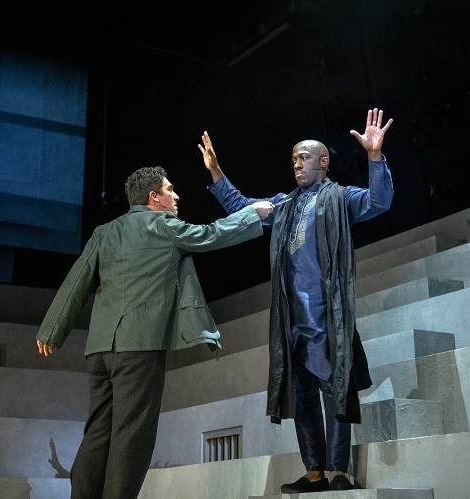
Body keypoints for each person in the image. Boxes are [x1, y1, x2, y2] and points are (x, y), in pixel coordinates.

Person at [36, 166, 274, 499]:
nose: (176, 196)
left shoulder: (104, 233)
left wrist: (51, 330)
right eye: (170, 189)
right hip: (140, 347)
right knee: (131, 436)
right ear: (154, 197)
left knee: (98, 432)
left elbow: (76, 282)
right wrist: (251, 214)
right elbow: (211, 235)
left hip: (100, 349)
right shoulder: (163, 226)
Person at [198, 108, 393, 493]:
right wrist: (216, 172)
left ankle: (337, 471)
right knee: (301, 397)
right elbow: (243, 208)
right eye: (293, 160)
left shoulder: (339, 197)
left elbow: (378, 201)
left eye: (303, 158)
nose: (297, 165)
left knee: (334, 393)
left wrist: (374, 157)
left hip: (325, 316)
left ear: (323, 162)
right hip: (290, 320)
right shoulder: (284, 204)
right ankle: (314, 471)